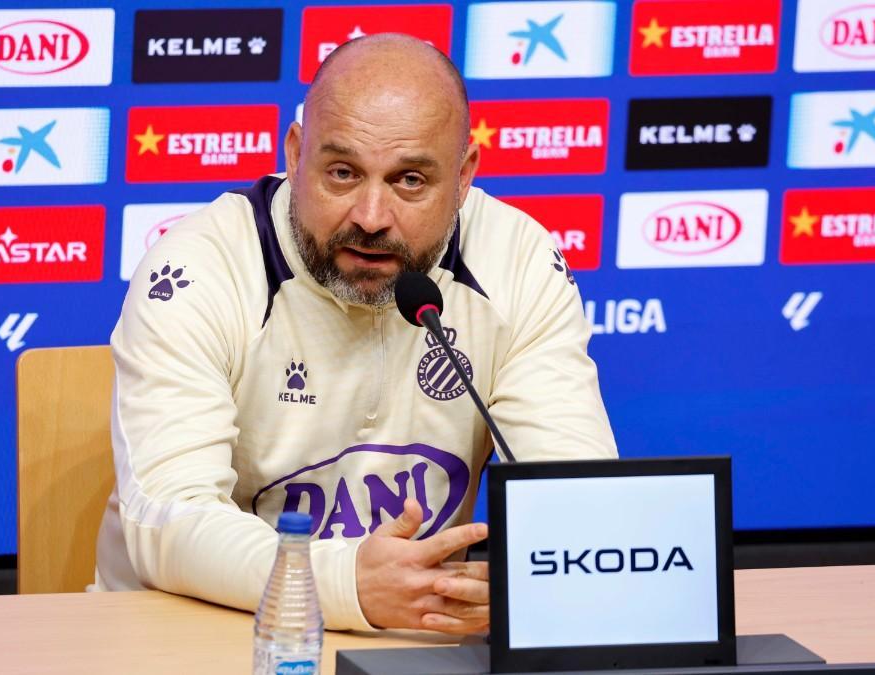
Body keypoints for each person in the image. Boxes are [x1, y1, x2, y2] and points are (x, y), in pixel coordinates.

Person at [93, 33, 616, 635]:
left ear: (466, 174)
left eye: (411, 181)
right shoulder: (201, 266)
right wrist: (344, 584)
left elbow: (579, 495)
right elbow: (169, 520)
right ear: (295, 154)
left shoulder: (517, 259)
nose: (370, 216)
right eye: (341, 173)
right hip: (192, 635)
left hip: (417, 638)